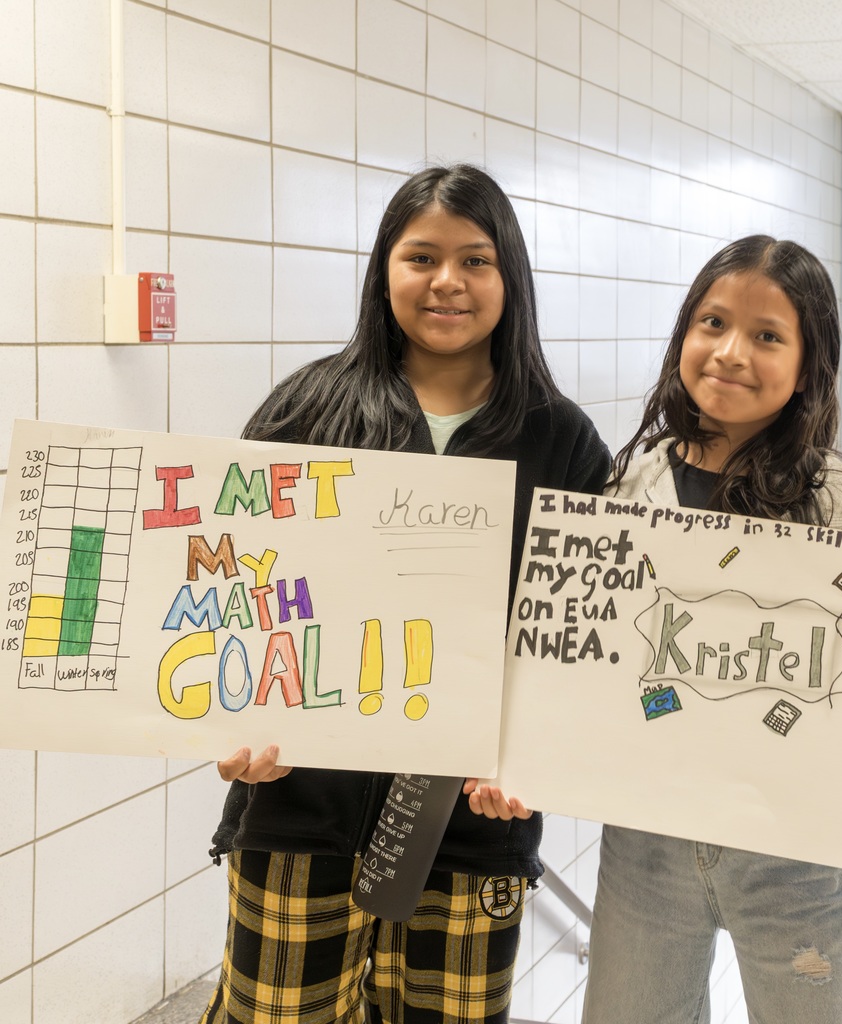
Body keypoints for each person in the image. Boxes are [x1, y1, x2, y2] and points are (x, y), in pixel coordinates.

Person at [199, 164, 611, 1024]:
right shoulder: (307, 411)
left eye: (476, 259)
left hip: (470, 833)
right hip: (299, 813)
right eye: (421, 257)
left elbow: (579, 639)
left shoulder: (562, 441)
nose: (447, 282)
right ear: (385, 268)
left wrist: (536, 755)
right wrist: (232, 717)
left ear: (512, 279)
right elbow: (239, 595)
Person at [570, 235, 842, 1024]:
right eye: (711, 323)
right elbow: (587, 652)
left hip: (794, 855)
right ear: (682, 338)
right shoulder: (629, 482)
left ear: (809, 364)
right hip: (646, 845)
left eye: (768, 335)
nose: (732, 352)